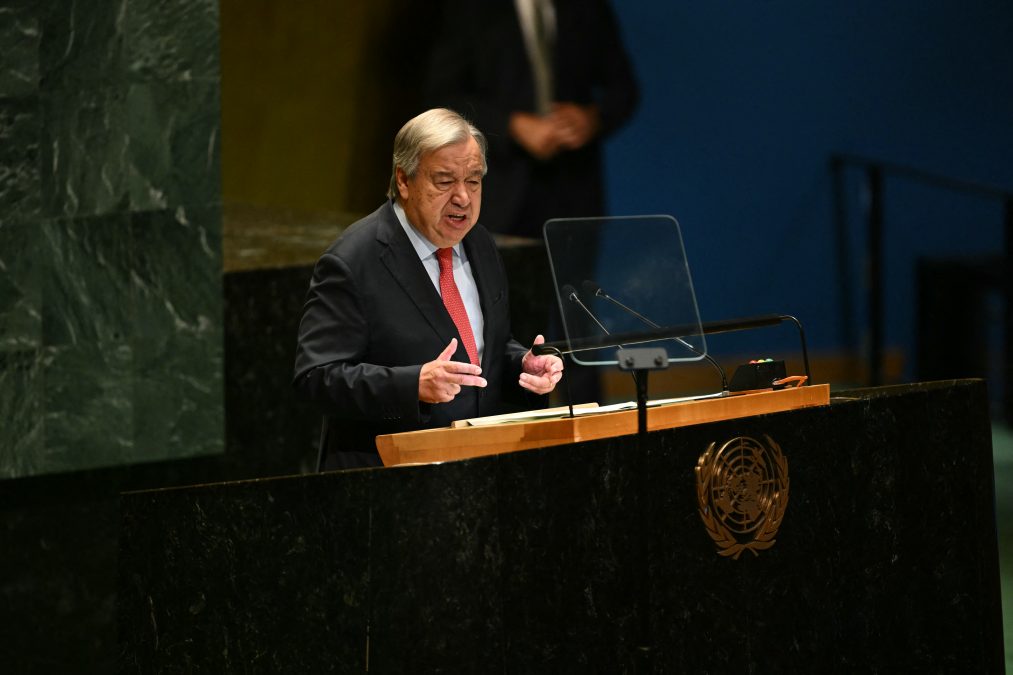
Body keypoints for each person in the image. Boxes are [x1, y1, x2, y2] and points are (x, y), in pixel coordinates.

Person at [293, 108, 564, 470]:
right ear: (404, 181)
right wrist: (412, 385)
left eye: (473, 181)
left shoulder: (479, 243)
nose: (463, 198)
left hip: (478, 470)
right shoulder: (354, 261)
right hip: (387, 484)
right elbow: (316, 378)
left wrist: (524, 366)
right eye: (444, 181)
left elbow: (483, 349)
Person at [424, 0, 639, 237]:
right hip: (494, 190)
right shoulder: (470, 8)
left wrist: (593, 118)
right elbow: (443, 97)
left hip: (574, 193)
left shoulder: (587, 7)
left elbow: (624, 89)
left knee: (574, 274)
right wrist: (511, 125)